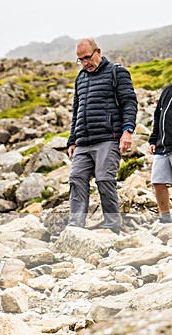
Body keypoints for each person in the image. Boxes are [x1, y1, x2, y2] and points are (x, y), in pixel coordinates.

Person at [66, 38, 138, 234]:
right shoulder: (80, 78)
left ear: (98, 51)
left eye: (87, 57)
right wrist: (72, 139)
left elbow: (129, 102)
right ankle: (76, 226)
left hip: (108, 137)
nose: (84, 63)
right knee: (76, 179)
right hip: (83, 141)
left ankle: (112, 226)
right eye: (80, 59)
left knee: (105, 180)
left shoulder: (117, 72)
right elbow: (76, 111)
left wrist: (127, 131)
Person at [149, 83, 172, 223]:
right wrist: (153, 140)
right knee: (158, 181)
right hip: (162, 146)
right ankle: (166, 217)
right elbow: (158, 115)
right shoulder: (167, 90)